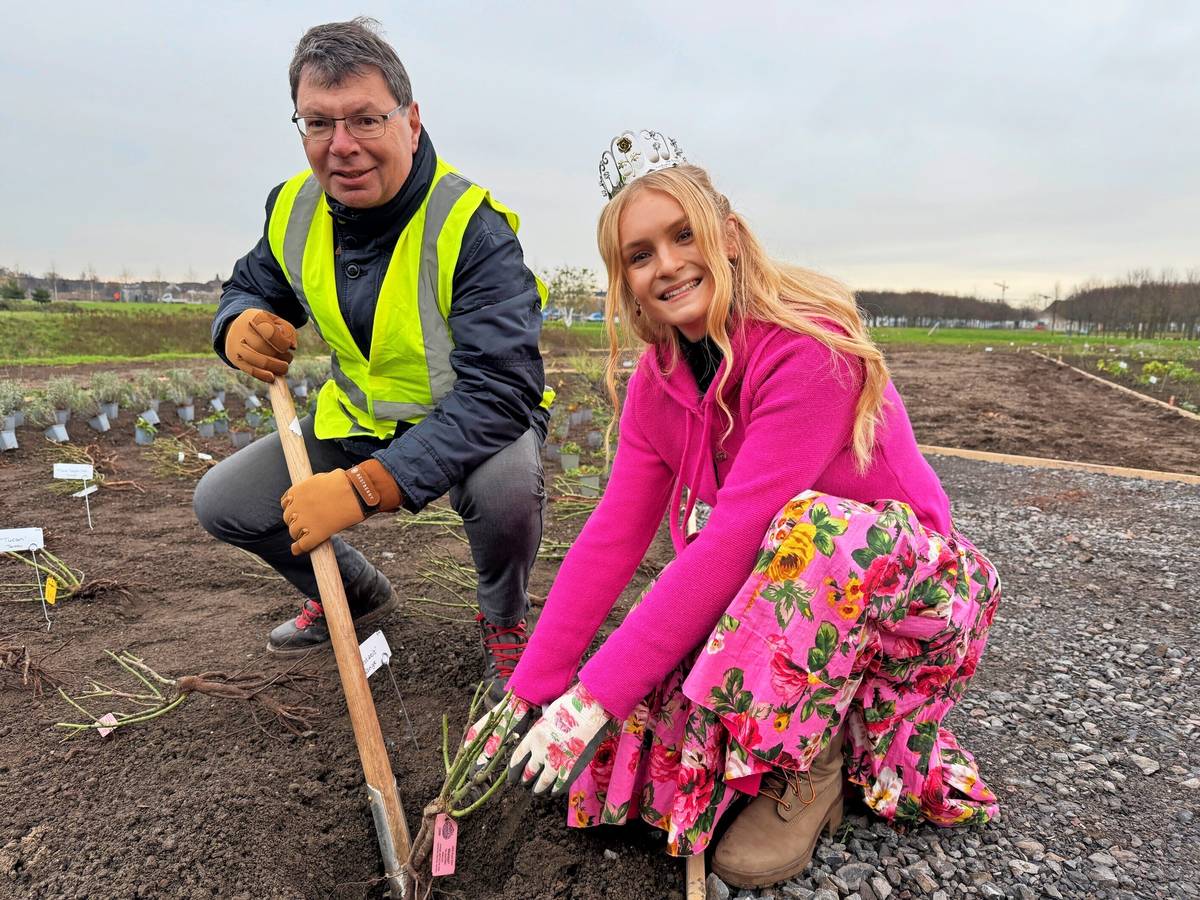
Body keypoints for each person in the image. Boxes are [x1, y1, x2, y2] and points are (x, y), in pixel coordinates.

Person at [469, 131, 1001, 888]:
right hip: (789, 600)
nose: (668, 264)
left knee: (800, 533)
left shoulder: (807, 350)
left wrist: (593, 694)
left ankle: (819, 759)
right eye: (640, 254)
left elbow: (736, 539)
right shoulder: (660, 382)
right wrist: (537, 685)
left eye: (682, 235)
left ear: (727, 233)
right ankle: (772, 737)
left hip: (908, 601)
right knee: (646, 709)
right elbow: (613, 536)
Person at [193, 18, 552, 698]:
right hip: (357, 419)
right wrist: (236, 321)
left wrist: (365, 487)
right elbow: (252, 284)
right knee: (225, 502)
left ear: (410, 123)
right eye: (318, 124)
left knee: (506, 488)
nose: (342, 147)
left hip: (472, 423)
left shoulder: (471, 227)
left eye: (364, 119)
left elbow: (502, 391)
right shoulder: (294, 207)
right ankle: (352, 593)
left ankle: (505, 620)